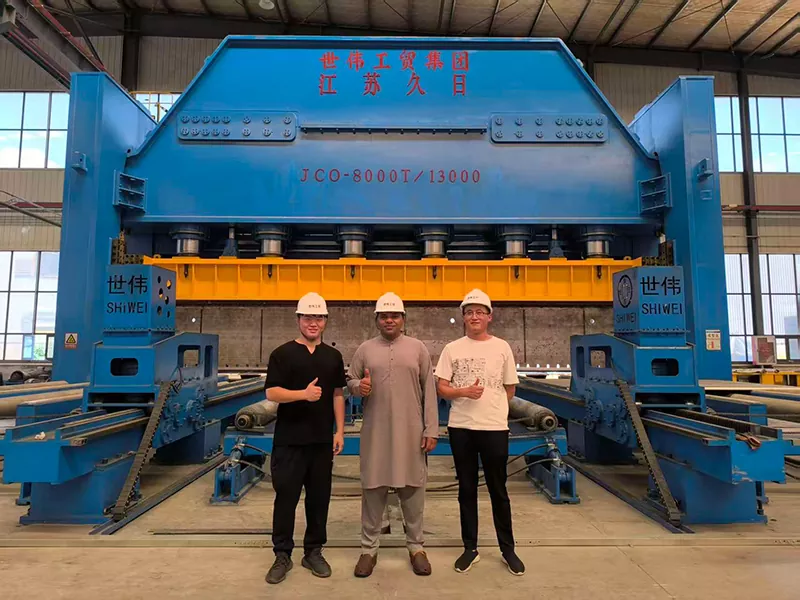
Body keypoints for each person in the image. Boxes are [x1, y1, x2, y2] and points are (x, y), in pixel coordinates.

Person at [347, 292, 439, 578]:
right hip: (375, 432)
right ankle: (368, 550)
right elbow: (350, 380)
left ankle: (416, 547)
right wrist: (357, 388)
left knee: (413, 489)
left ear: (403, 319)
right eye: (384, 316)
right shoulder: (364, 349)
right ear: (377, 320)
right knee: (373, 488)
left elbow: (429, 390)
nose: (390, 320)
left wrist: (431, 428)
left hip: (411, 432)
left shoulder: (418, 349)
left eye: (395, 316)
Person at [434, 289, 525, 576]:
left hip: (494, 428)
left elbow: (509, 389)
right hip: (462, 427)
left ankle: (507, 549)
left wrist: (491, 408)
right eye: (469, 312)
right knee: (466, 489)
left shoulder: (502, 347)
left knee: (499, 489)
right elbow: (442, 387)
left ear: (489, 317)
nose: (474, 316)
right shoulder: (452, 349)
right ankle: (470, 548)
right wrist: (463, 392)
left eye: (480, 312)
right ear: (463, 317)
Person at [264, 292, 346, 585]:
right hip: (289, 441)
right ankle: (282, 554)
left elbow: (337, 394)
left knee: (319, 499)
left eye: (319, 318)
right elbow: (272, 392)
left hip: (321, 442)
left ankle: (313, 551)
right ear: (299, 319)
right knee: (286, 499)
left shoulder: (333, 357)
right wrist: (303, 394)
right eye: (308, 317)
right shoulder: (282, 354)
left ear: (325, 321)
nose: (313, 323)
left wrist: (339, 431)